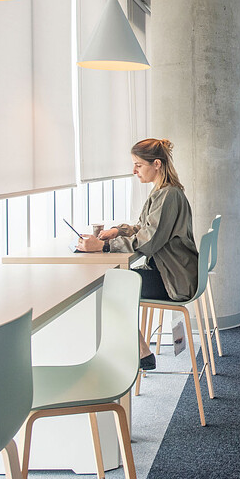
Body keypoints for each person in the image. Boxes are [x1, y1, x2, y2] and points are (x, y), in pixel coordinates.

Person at [76, 138, 199, 371]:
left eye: (138, 165)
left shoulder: (168, 195)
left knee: (108, 287)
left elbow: (149, 241)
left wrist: (102, 247)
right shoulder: (163, 192)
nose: (134, 171)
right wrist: (118, 231)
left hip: (173, 280)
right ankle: (139, 350)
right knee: (113, 283)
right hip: (169, 272)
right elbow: (145, 228)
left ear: (157, 164)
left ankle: (139, 352)